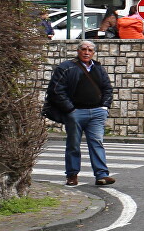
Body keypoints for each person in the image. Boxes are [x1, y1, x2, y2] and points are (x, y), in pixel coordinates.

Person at [42, 40, 115, 186]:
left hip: (96, 112)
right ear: (78, 51)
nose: (87, 52)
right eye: (83, 49)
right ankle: (72, 175)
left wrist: (104, 107)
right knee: (73, 144)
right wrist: (70, 109)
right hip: (75, 112)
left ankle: (102, 175)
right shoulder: (66, 67)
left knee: (97, 143)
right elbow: (55, 90)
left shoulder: (98, 68)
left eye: (90, 50)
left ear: (93, 53)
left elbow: (107, 88)